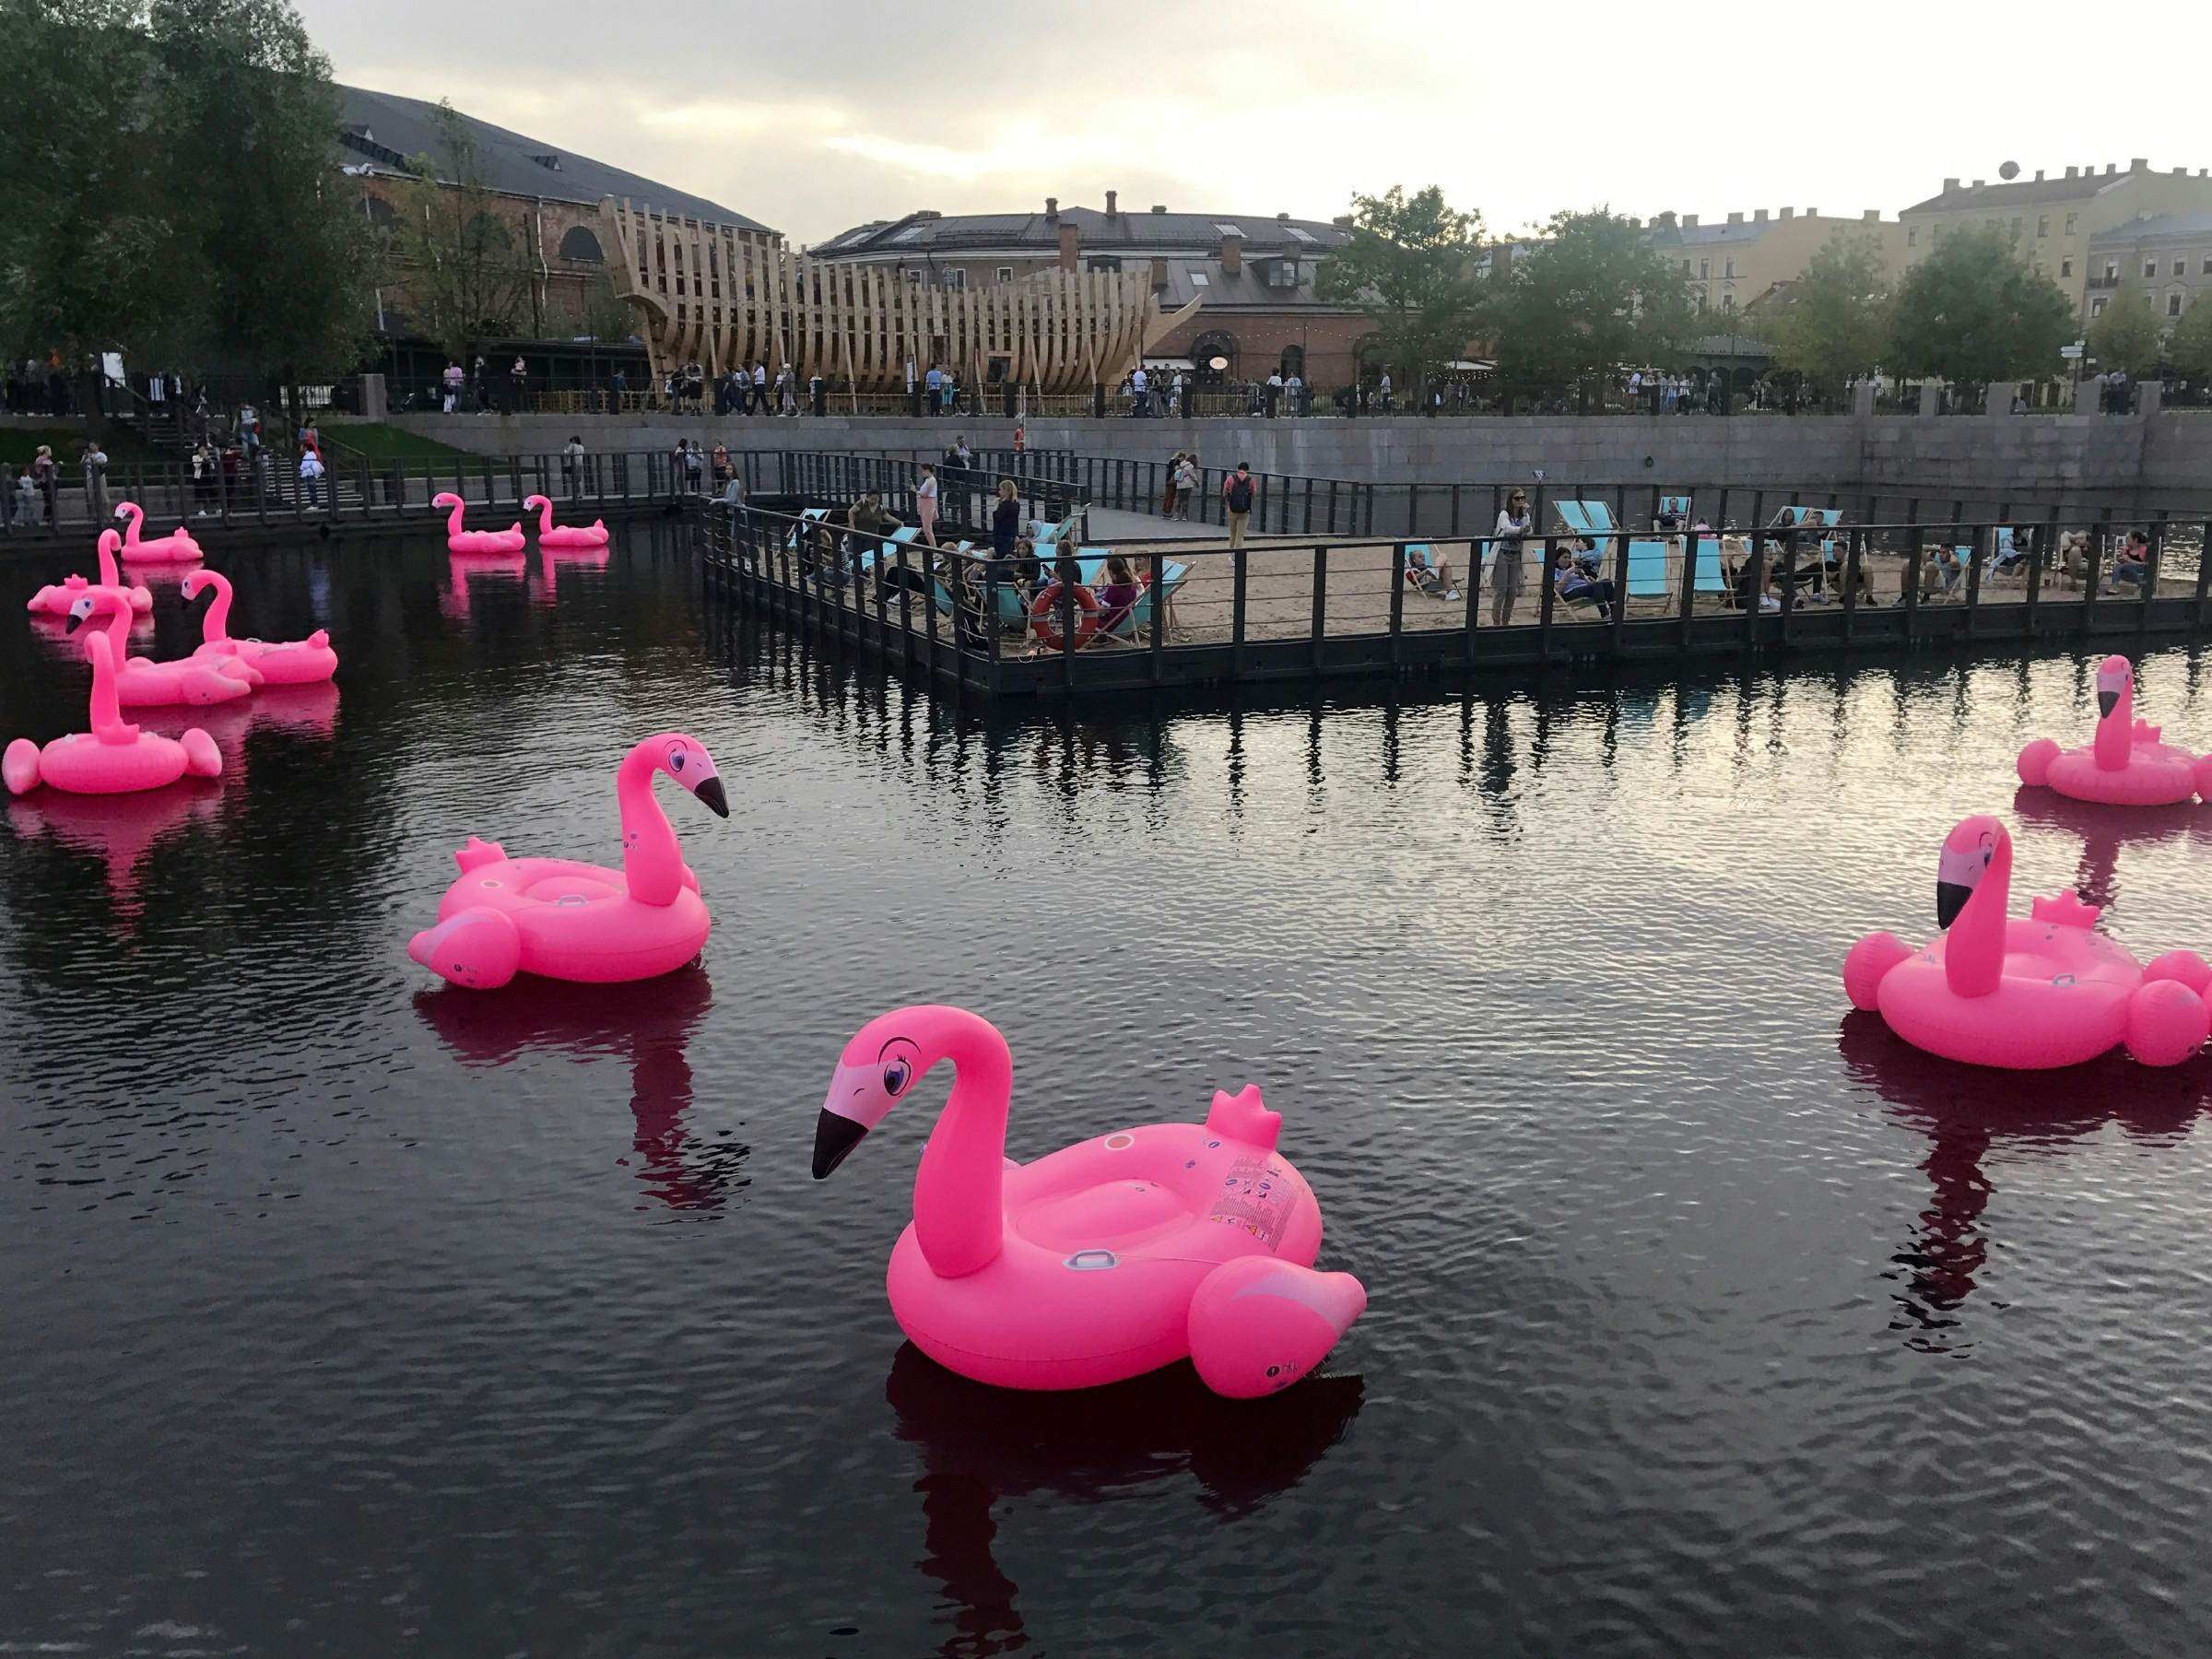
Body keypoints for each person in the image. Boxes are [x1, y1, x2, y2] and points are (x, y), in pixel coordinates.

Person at [1489, 489, 1532, 626]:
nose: (1520, 501)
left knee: (1512, 591)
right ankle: (1496, 621)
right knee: (1501, 590)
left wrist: (1525, 516)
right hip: (1503, 554)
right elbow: (1506, 528)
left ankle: (1505, 621)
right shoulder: (1504, 514)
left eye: (1523, 498)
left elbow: (1529, 530)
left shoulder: (1524, 515)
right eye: (1517, 498)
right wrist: (1520, 530)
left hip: (1516, 555)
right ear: (1511, 500)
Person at [1552, 547, 1615, 618]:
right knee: (1596, 584)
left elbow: (1589, 584)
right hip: (1570, 593)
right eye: (1565, 557)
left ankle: (1615, 613)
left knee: (1607, 582)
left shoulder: (1572, 570)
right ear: (1557, 559)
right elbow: (1558, 589)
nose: (1568, 560)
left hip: (1584, 590)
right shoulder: (1555, 571)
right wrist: (1567, 573)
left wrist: (1583, 576)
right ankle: (1605, 615)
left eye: (1569, 557)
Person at [1095, 554, 1144, 637]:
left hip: (1112, 625)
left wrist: (1092, 598)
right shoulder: (1132, 585)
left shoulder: (1114, 589)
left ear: (1111, 571)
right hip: (1126, 623)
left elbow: (1102, 611)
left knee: (1086, 617)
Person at [1223, 462, 1255, 547]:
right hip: (1245, 510)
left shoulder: (1230, 478)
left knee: (1232, 534)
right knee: (1240, 535)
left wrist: (1228, 499)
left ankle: (1231, 554)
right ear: (1247, 470)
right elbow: (1254, 493)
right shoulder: (1250, 479)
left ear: (1238, 469)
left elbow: (1225, 492)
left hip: (1232, 509)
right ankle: (1238, 555)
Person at [991, 477, 1021, 561]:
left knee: (1002, 557)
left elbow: (997, 518)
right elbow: (1015, 521)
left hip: (1001, 535)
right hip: (1010, 534)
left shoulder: (1005, 505)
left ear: (1006, 491)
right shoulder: (1016, 504)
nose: (999, 492)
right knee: (1007, 555)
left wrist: (996, 506)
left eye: (1001, 490)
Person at [80, 440, 109, 522]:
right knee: (91, 496)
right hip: (90, 477)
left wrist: (93, 460)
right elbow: (81, 465)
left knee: (103, 495)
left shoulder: (102, 455)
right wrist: (86, 457)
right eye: (90, 446)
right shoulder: (86, 456)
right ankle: (92, 515)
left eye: (93, 445)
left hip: (100, 476)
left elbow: (103, 464)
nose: (91, 447)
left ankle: (106, 515)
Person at [191, 439, 217, 515]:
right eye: (201, 449)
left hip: (208, 476)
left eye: (204, 449)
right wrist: (202, 459)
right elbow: (196, 466)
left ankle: (217, 509)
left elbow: (213, 467)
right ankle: (201, 510)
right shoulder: (195, 457)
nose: (203, 450)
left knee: (212, 493)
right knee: (200, 494)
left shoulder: (208, 457)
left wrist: (209, 460)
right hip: (199, 477)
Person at [916, 463, 940, 546]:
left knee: (926, 528)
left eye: (923, 471)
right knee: (927, 525)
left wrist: (915, 491)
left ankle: (934, 548)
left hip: (928, 502)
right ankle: (933, 547)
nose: (922, 473)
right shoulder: (928, 480)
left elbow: (925, 494)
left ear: (927, 471)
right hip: (926, 502)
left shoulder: (932, 480)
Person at [298, 444, 324, 512]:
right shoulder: (310, 454)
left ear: (306, 448)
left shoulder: (308, 455)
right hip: (310, 474)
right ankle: (313, 504)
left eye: (302, 447)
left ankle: (314, 504)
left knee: (311, 489)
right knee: (311, 489)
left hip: (309, 474)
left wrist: (301, 468)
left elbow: (305, 465)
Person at [1175, 453, 1199, 521]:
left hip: (1179, 484)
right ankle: (1184, 516)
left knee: (1179, 499)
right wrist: (1196, 482)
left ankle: (1176, 515)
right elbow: (1192, 476)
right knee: (1186, 500)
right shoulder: (1190, 466)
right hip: (1187, 484)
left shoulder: (1181, 464)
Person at [562, 434, 586, 499]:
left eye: (572, 440)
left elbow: (568, 453)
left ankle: (575, 494)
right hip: (580, 463)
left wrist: (564, 451)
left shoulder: (573, 445)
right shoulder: (582, 447)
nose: (571, 442)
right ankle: (580, 494)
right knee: (579, 480)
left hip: (574, 463)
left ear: (574, 440)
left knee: (574, 479)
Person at [1162, 450, 1182, 518]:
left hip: (1168, 480)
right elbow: (1176, 470)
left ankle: (1165, 511)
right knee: (1171, 497)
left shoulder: (1171, 461)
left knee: (1167, 496)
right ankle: (1168, 512)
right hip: (1173, 481)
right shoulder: (1177, 462)